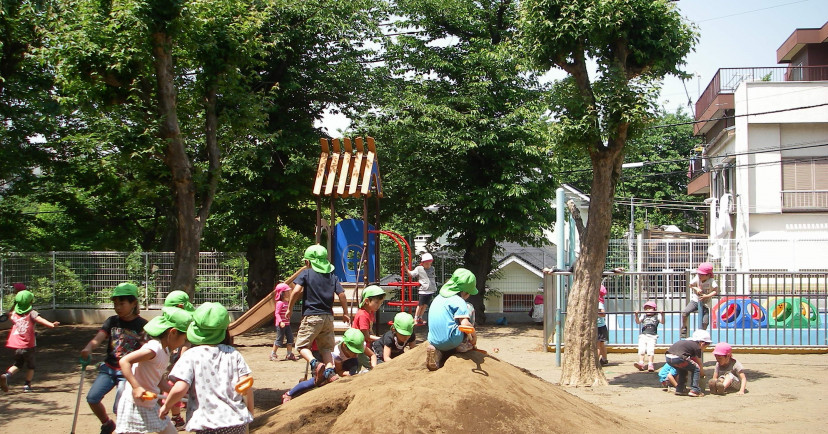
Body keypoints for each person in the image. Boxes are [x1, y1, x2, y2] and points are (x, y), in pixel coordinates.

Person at [160, 303, 254, 434]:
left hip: (206, 424)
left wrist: (166, 406)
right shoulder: (233, 354)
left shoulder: (191, 355)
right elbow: (246, 385)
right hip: (237, 422)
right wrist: (250, 411)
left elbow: (180, 387)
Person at [81, 283, 148, 434]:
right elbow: (98, 338)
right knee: (92, 398)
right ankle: (107, 423)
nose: (118, 307)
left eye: (122, 304)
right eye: (115, 304)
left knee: (120, 407)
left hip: (128, 372)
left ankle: (123, 430)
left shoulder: (142, 325)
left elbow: (147, 348)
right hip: (109, 368)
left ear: (133, 303)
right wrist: (88, 348)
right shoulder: (112, 321)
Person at [115, 307, 192, 434]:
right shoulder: (153, 349)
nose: (184, 343)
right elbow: (125, 361)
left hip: (149, 403)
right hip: (135, 404)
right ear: (172, 333)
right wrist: (136, 387)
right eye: (184, 339)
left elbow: (158, 379)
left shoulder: (166, 351)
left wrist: (177, 393)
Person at [287, 244, 350, 386]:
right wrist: (345, 313)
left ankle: (315, 363)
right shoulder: (331, 276)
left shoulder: (306, 274)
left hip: (312, 316)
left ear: (308, 262)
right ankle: (329, 372)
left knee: (302, 346)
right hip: (328, 317)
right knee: (326, 348)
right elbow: (342, 294)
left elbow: (296, 291)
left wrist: (290, 308)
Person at [282, 329, 377, 404]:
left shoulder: (359, 346)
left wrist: (374, 367)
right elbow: (339, 372)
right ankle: (289, 394)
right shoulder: (337, 353)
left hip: (346, 364)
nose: (356, 354)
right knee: (315, 382)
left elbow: (372, 355)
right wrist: (350, 374)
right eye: (354, 352)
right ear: (345, 345)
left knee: (354, 362)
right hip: (331, 367)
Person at [0, 290, 60, 393]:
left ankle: (6, 375)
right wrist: (51, 325)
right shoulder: (32, 313)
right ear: (31, 302)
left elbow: (10, 314)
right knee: (31, 366)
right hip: (28, 345)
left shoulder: (14, 314)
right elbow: (40, 320)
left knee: (18, 364)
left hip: (16, 345)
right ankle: (27, 385)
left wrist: (14, 306)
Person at [426, 268, 478, 371]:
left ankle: (437, 352)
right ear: (465, 292)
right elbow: (465, 324)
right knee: (469, 308)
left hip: (433, 339)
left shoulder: (437, 299)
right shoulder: (459, 301)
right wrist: (474, 337)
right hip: (452, 340)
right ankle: (463, 344)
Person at [161, 290, 195, 429]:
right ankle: (176, 417)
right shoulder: (172, 319)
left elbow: (186, 345)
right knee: (172, 391)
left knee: (175, 390)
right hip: (172, 364)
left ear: (180, 307)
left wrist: (182, 361)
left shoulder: (187, 321)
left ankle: (177, 418)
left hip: (181, 366)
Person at [665, 329, 711, 397]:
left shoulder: (687, 342)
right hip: (679, 357)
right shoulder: (697, 347)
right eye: (706, 345)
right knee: (696, 368)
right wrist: (702, 374)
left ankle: (680, 389)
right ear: (702, 343)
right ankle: (695, 390)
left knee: (683, 370)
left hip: (668, 358)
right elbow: (699, 363)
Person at [680, 262, 719, 338]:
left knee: (705, 322)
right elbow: (690, 285)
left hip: (706, 303)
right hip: (695, 301)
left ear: (707, 275)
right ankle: (684, 327)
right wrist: (696, 288)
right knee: (685, 312)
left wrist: (707, 296)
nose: (699, 275)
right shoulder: (697, 278)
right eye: (699, 274)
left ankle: (702, 335)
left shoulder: (711, 281)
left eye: (702, 274)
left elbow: (715, 291)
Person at [634, 300, 664, 372]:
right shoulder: (643, 315)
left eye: (650, 308)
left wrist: (662, 314)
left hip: (652, 336)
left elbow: (662, 322)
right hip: (643, 335)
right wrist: (636, 315)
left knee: (650, 350)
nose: (648, 310)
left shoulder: (657, 315)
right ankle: (641, 363)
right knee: (642, 349)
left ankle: (650, 364)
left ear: (654, 309)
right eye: (646, 308)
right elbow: (638, 322)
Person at [270, 283, 297, 361]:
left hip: (287, 324)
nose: (289, 293)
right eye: (287, 291)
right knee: (279, 339)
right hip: (281, 325)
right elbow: (277, 313)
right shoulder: (280, 303)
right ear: (282, 293)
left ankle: (289, 354)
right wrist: (280, 322)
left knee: (290, 339)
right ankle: (273, 354)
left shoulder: (286, 302)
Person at [408, 252, 436, 325]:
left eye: (430, 264)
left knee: (425, 305)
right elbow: (411, 274)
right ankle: (416, 318)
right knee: (420, 305)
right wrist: (405, 268)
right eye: (426, 264)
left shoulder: (432, 268)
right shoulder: (419, 268)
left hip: (431, 289)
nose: (428, 265)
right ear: (422, 263)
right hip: (423, 290)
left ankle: (420, 317)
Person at [597, 285, 609, 366]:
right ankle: (604, 358)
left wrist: (596, 312)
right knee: (601, 344)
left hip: (599, 326)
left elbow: (603, 314)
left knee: (597, 345)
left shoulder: (598, 303)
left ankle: (596, 361)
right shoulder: (600, 301)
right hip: (601, 326)